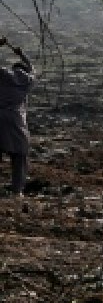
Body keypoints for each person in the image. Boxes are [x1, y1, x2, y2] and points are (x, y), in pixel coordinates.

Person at [0, 36, 35, 195]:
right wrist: (22, 54)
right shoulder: (28, 81)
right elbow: (32, 69)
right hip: (16, 120)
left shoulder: (4, 75)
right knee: (20, 154)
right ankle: (17, 189)